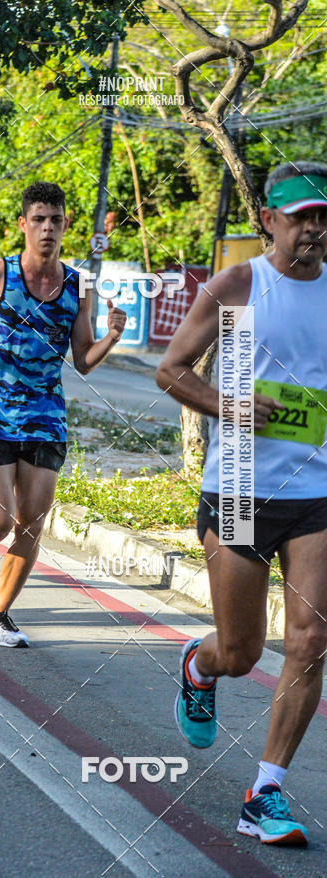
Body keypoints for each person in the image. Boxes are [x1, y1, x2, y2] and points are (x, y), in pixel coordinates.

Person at [156, 160, 327, 846]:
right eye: (301, 217)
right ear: (268, 221)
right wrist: (230, 405)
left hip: (316, 490)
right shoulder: (239, 285)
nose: (313, 229)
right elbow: (170, 371)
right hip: (239, 490)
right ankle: (201, 667)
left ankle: (266, 791)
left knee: (313, 640)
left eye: (323, 217)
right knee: (242, 649)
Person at [0, 181, 126, 647]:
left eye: (56, 219)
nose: (48, 227)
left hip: (45, 414)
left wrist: (112, 337)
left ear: (66, 225)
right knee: (1, 521)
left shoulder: (77, 286)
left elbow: (83, 359)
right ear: (23, 225)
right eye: (39, 219)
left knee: (32, 520)